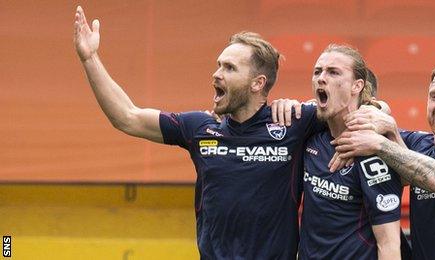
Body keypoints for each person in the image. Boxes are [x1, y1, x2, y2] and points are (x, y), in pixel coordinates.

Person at [73, 6, 323, 259]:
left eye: (229, 68)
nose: (216, 74)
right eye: (218, 65)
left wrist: (361, 117)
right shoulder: (200, 127)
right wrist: (89, 59)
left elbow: (352, 104)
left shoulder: (294, 122)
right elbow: (127, 117)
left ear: (258, 83)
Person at [331, 60, 435, 259]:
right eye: (434, 96)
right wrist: (379, 109)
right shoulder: (419, 143)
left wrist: (380, 144)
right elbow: (380, 118)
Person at [297, 44, 403, 259]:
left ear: (357, 86)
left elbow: (389, 244)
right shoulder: (310, 134)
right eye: (317, 71)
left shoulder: (372, 150)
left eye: (333, 72)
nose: (321, 78)